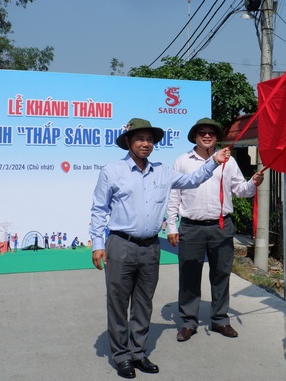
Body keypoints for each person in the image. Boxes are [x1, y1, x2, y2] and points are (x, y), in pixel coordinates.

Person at [90, 117, 231, 379]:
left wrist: (214, 160)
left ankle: (138, 353)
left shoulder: (162, 172)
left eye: (150, 140)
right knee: (119, 303)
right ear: (129, 142)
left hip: (151, 247)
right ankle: (121, 356)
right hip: (121, 244)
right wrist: (98, 244)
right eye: (140, 139)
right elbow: (99, 210)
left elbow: (193, 180)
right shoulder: (112, 172)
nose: (146, 144)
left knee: (144, 303)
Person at [166, 118, 264, 342]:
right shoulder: (182, 161)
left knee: (221, 274)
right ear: (195, 136)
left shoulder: (228, 161)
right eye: (202, 132)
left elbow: (240, 190)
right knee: (189, 276)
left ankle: (220, 319)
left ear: (217, 137)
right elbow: (173, 196)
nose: (207, 135)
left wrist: (253, 183)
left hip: (221, 226)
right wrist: (172, 225)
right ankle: (189, 322)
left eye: (211, 132)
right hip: (191, 227)